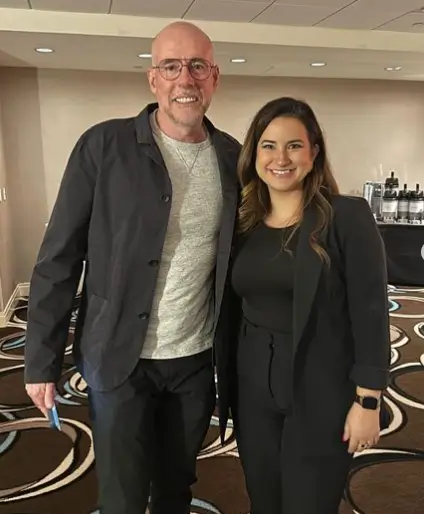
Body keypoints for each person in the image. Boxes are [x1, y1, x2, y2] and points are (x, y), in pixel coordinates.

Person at [24, 21, 241, 514]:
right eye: (171, 66)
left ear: (214, 77)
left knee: (175, 489)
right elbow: (59, 258)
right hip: (117, 357)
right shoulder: (103, 147)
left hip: (194, 361)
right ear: (153, 78)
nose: (185, 78)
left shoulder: (232, 158)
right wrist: (40, 362)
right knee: (121, 497)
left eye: (198, 66)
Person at [218, 97, 391, 514]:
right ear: (254, 154)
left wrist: (368, 401)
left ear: (314, 153)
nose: (281, 158)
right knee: (264, 500)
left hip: (321, 390)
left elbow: (370, 312)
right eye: (269, 145)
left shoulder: (346, 217)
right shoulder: (242, 220)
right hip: (253, 389)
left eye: (294, 146)